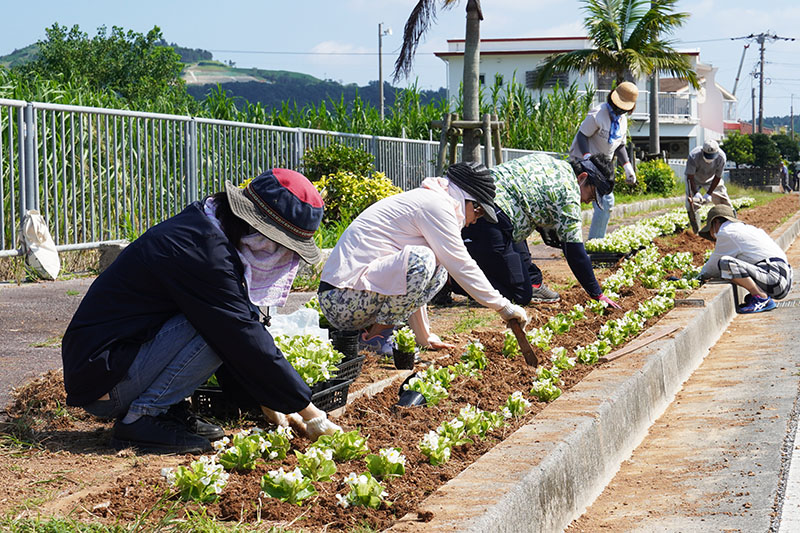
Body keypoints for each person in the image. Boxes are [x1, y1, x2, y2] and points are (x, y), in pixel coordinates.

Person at [61, 169, 341, 454]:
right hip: (105, 379)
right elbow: (238, 333)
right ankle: (142, 418)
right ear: (259, 231)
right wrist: (311, 412)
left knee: (224, 321)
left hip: (110, 367)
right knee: (221, 327)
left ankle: (165, 409)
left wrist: (270, 401)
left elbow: (238, 326)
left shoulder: (206, 227)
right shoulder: (202, 250)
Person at [317, 161, 529, 356]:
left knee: (436, 265)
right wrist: (503, 306)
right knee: (425, 260)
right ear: (469, 200)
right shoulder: (436, 205)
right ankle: (376, 338)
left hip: (351, 299)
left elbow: (410, 281)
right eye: (480, 212)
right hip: (340, 300)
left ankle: (376, 332)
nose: (475, 221)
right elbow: (461, 264)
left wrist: (423, 337)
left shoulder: (435, 201)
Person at [452, 152, 622, 308]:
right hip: (485, 218)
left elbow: (529, 198)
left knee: (527, 273)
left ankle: (533, 282)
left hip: (484, 209)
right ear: (583, 177)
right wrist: (597, 294)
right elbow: (575, 254)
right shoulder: (569, 193)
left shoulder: (553, 163)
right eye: (591, 195)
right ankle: (451, 279)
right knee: (520, 295)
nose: (587, 201)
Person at [569, 81, 639, 240]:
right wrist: (587, 157)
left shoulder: (622, 120)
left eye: (624, 108)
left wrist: (628, 166)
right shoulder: (597, 114)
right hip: (582, 162)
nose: (620, 110)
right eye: (619, 106)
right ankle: (576, 242)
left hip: (601, 167)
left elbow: (620, 145)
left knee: (605, 203)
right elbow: (582, 135)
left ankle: (595, 242)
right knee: (576, 202)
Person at [699, 204, 793, 314]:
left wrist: (697, 278)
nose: (712, 235)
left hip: (775, 278)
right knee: (732, 267)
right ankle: (759, 296)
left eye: (710, 228)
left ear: (715, 222)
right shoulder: (747, 229)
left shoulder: (727, 232)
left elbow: (712, 268)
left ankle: (761, 298)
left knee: (725, 263)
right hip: (783, 278)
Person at [685, 139, 732, 233]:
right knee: (691, 205)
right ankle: (696, 230)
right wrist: (696, 193)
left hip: (711, 179)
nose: (709, 158)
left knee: (724, 201)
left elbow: (718, 177)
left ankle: (730, 225)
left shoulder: (721, 157)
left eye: (712, 156)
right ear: (702, 151)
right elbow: (690, 177)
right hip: (695, 180)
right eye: (707, 155)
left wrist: (709, 193)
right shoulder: (694, 156)